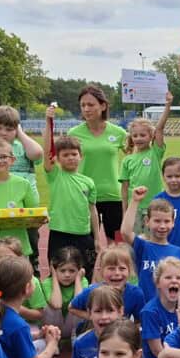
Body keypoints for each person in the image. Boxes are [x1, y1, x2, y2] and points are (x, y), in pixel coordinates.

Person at [0, 105, 44, 273]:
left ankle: (31, 282)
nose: (3, 133)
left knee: (27, 255)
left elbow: (37, 153)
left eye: (9, 129)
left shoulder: (22, 147)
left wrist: (19, 132)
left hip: (24, 213)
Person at [42, 116, 103, 281]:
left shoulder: (88, 182)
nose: (71, 158)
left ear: (81, 156)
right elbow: (47, 151)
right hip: (59, 233)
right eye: (65, 155)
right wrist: (48, 122)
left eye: (74, 154)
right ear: (57, 158)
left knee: (85, 273)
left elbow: (93, 210)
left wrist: (97, 238)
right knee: (57, 272)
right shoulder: (55, 175)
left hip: (83, 234)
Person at [67, 85, 128, 243]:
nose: (86, 109)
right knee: (87, 244)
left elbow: (134, 156)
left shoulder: (119, 133)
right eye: (83, 105)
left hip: (113, 196)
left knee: (117, 243)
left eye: (91, 104)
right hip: (84, 196)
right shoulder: (73, 134)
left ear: (103, 106)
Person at [122, 187, 180, 301]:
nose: (162, 226)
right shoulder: (143, 247)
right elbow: (125, 232)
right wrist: (135, 201)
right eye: (157, 221)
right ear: (147, 221)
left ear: (173, 223)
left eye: (167, 221)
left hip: (171, 306)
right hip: (145, 305)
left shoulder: (178, 252)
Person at [119, 93, 171, 229]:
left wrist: (168, 105)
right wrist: (125, 211)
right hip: (134, 208)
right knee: (136, 239)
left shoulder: (155, 152)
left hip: (154, 208)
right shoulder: (127, 160)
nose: (138, 138)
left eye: (143, 135)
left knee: (153, 237)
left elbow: (159, 128)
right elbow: (124, 189)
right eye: (135, 135)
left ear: (151, 136)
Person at [69, 244, 146, 323]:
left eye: (122, 268)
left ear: (129, 271)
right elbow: (71, 307)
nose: (117, 273)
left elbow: (139, 320)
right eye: (111, 269)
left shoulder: (136, 293)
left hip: (119, 329)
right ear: (101, 271)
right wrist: (93, 317)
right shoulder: (92, 291)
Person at [41, 246, 88, 338]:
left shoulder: (82, 281)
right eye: (62, 271)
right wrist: (54, 277)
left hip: (73, 328)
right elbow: (57, 304)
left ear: (79, 270)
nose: (67, 275)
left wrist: (78, 279)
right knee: (50, 308)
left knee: (79, 308)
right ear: (54, 270)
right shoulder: (48, 282)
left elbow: (79, 303)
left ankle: (75, 338)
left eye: (72, 271)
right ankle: (52, 338)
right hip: (53, 327)